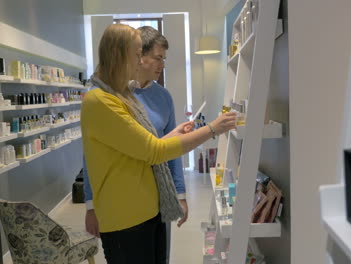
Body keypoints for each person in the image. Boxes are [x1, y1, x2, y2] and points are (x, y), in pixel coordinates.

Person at [81, 24, 236, 264]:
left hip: (149, 210)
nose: (138, 62)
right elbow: (153, 151)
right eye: (135, 54)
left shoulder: (127, 97)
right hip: (125, 216)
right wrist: (212, 128)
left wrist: (174, 134)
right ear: (121, 55)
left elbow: (144, 148)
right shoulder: (101, 101)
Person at [83, 26, 189, 263]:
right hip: (124, 205)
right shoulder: (115, 97)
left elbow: (171, 151)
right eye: (157, 58)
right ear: (139, 57)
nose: (162, 64)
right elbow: (91, 157)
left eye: (164, 59)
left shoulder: (164, 97)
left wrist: (179, 194)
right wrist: (91, 205)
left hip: (158, 200)